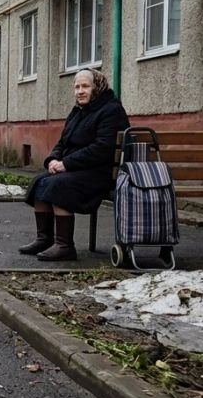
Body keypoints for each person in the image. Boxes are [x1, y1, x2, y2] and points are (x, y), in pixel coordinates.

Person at [20, 68, 130, 261]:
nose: (80, 91)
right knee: (39, 181)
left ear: (98, 87)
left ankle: (65, 246)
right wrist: (53, 160)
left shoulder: (111, 110)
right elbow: (63, 142)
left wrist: (66, 164)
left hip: (99, 172)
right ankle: (45, 239)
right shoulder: (78, 111)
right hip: (77, 169)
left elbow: (102, 148)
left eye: (85, 86)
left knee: (57, 184)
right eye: (77, 87)